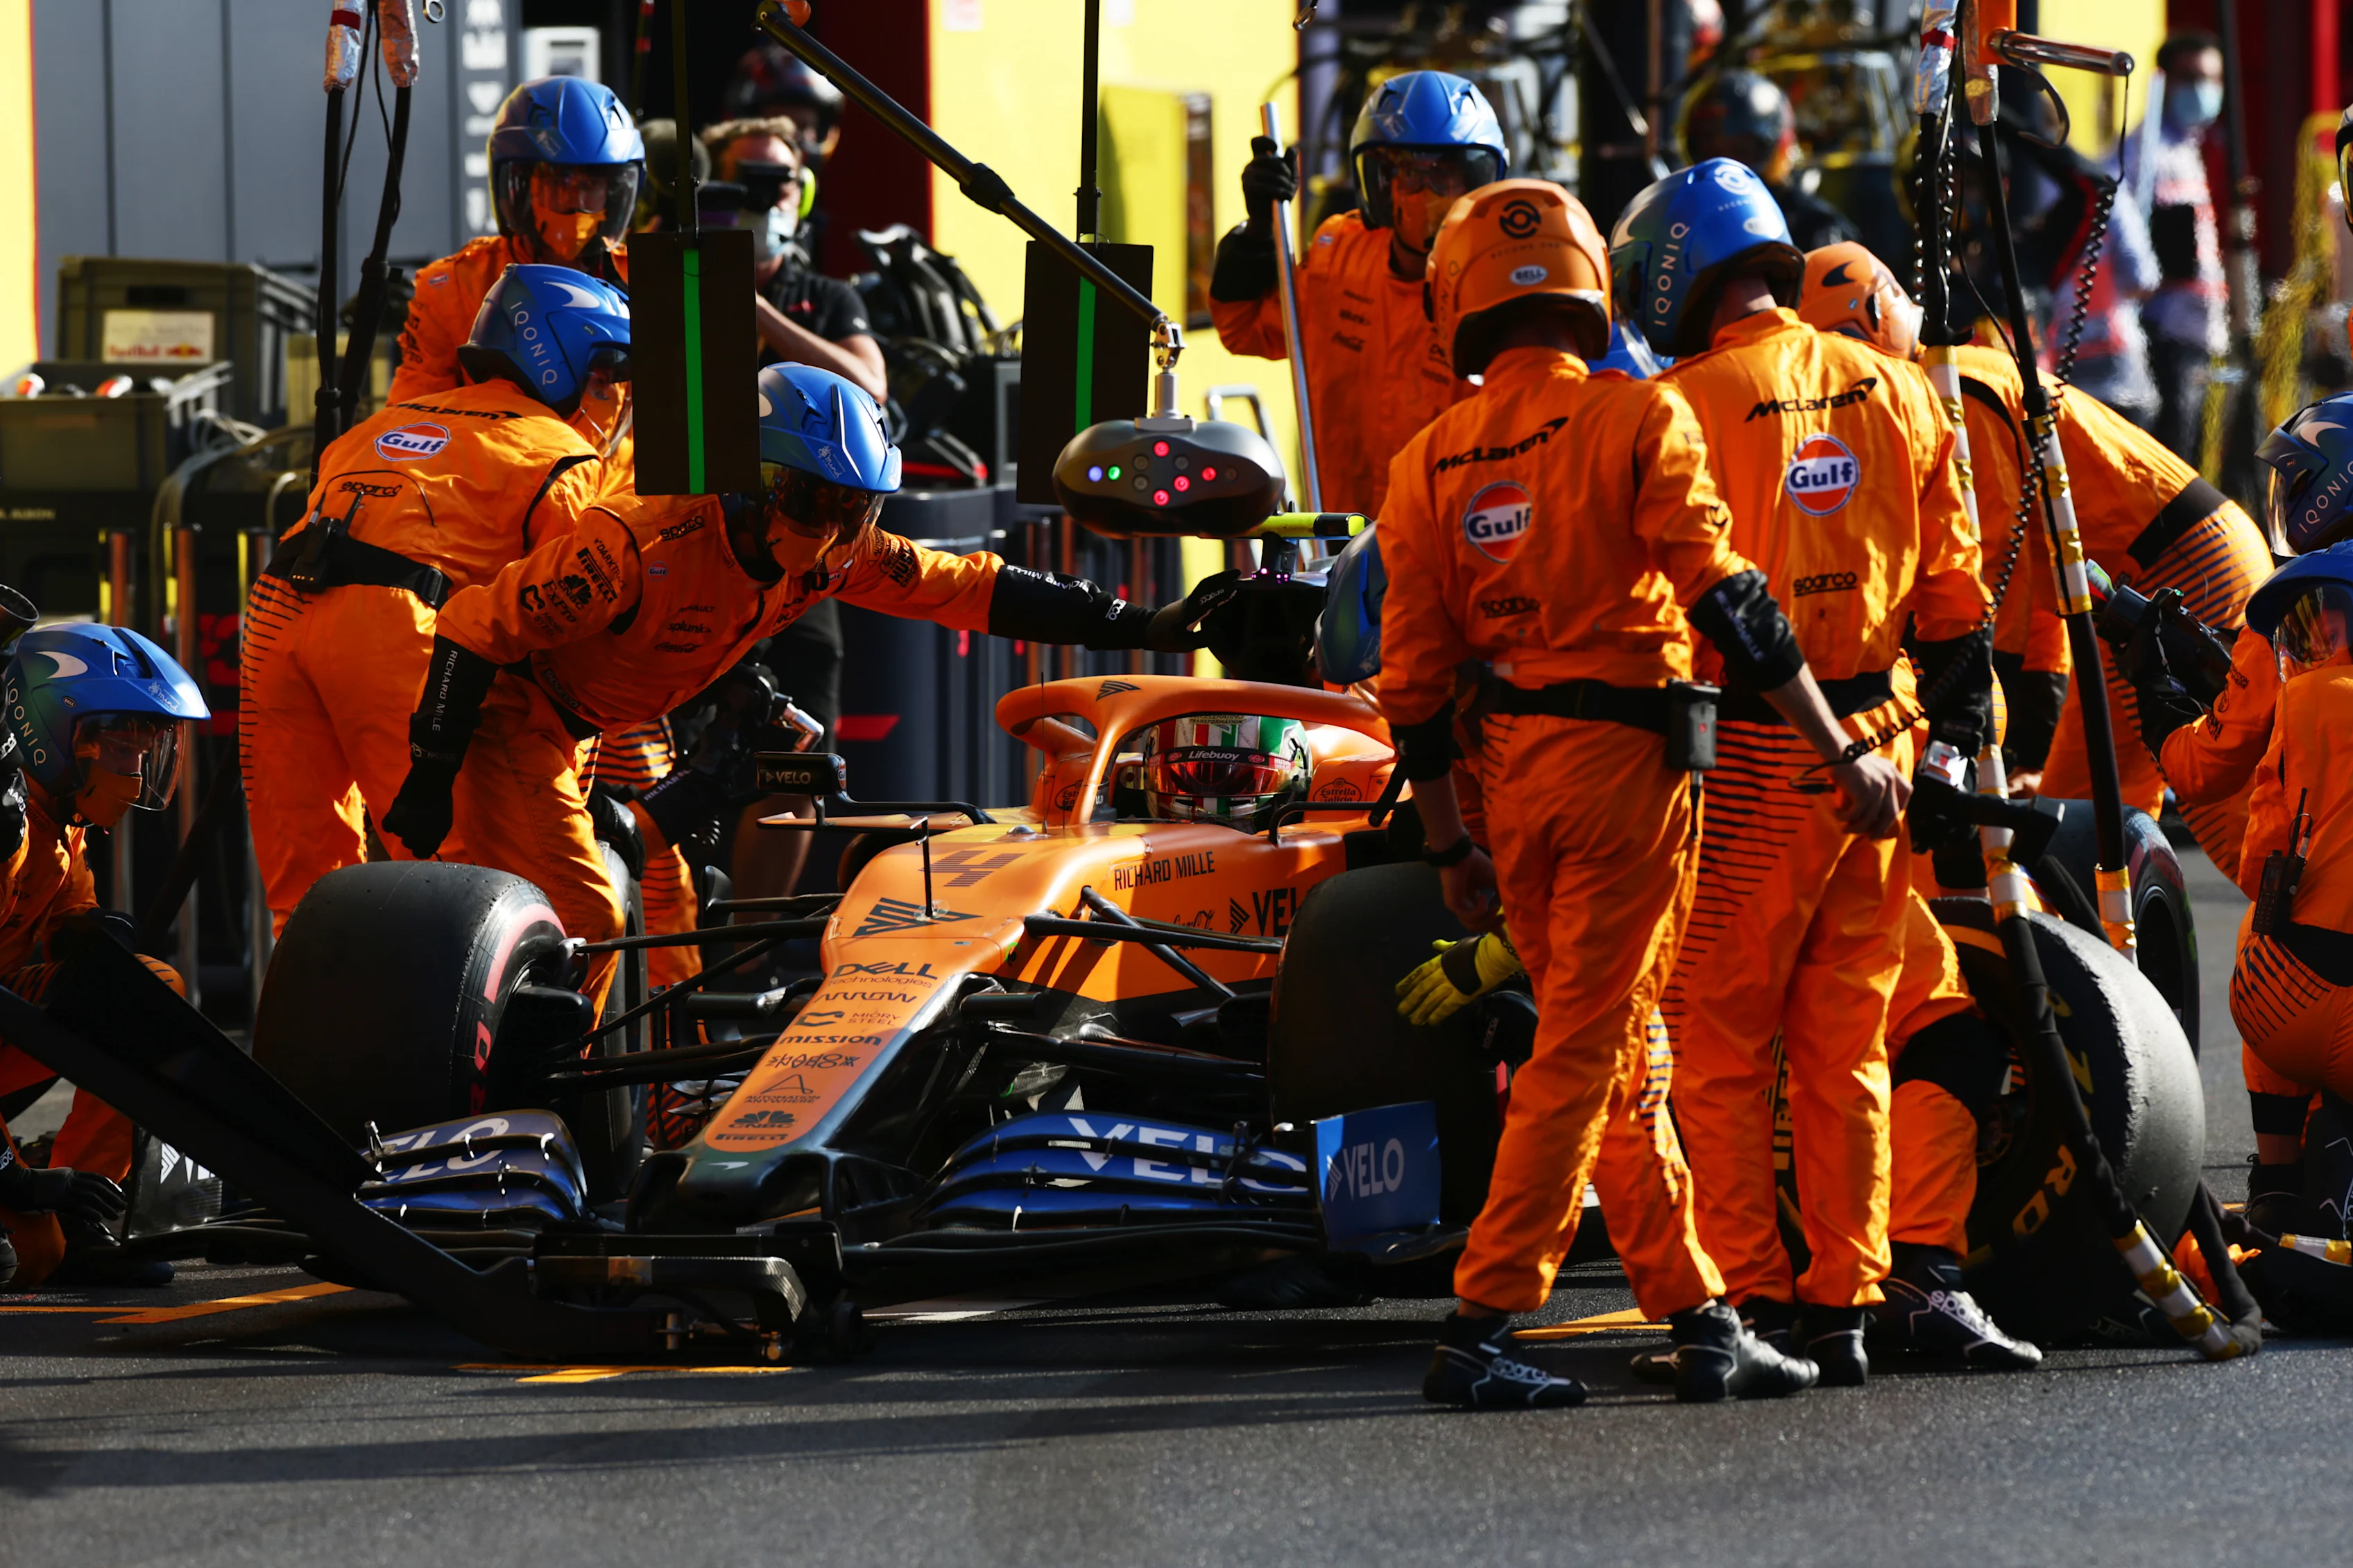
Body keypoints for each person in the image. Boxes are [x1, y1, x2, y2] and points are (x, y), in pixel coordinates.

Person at [1380, 178, 1902, 1410]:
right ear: (1589, 288)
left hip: (1514, 785)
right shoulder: (1635, 421)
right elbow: (1733, 600)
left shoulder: (1423, 464)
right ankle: (1484, 1319)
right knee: (1587, 1047)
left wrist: (1454, 843)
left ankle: (1701, 1313)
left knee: (1623, 1056)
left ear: (1456, 301)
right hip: (1628, 780)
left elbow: (1409, 680)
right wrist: (1839, 757)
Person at [381, 364, 1223, 1014]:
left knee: (663, 926)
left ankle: (623, 1110)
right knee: (590, 914)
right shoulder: (632, 545)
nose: (827, 529)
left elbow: (968, 584)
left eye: (851, 508)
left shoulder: (837, 553)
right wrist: (429, 773)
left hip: (605, 724)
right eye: (809, 498)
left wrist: (1145, 622)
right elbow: (467, 628)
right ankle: (532, 1107)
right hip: (509, 712)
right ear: (751, 481)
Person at [1614, 160, 1993, 1386]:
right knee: (1848, 1039)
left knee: (1719, 1040)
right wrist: (1949, 723)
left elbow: (1665, 596)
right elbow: (1954, 591)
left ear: (1673, 276)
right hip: (1880, 742)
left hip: (1757, 748)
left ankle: (1754, 1301)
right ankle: (1849, 1298)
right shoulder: (1893, 388)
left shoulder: (1679, 404)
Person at [240, 265, 630, 932]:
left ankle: (320, 1036)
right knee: (479, 907)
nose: (613, 399)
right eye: (605, 378)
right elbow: (572, 625)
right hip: (398, 630)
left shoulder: (375, 428)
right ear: (559, 357)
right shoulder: (562, 455)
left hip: (276, 613)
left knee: (309, 905)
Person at [0, 623, 207, 1289]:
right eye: (123, 745)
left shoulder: (57, 817)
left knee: (146, 987)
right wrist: (24, 1184)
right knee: (29, 1256)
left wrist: (91, 933)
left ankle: (91, 1201)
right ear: (58, 731)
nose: (136, 767)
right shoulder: (7, 822)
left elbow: (67, 915)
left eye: (144, 749)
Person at [1210, 69, 1505, 517]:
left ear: (1476, 181)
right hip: (1339, 543)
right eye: (1407, 174)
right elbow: (1245, 326)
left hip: (1453, 549)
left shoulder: (1503, 282)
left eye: (1443, 177)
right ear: (1380, 184)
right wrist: (1257, 234)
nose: (1425, 197)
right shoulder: (1339, 255)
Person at [391, 76, 642, 453]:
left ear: (615, 190)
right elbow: (411, 419)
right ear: (518, 186)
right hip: (502, 485)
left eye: (591, 184)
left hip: (618, 495)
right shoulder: (454, 284)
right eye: (558, 183)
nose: (576, 202)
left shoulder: (649, 279)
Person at [703, 118, 887, 402]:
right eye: (750, 183)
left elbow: (871, 388)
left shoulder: (829, 297)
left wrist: (756, 308)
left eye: (781, 183)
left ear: (803, 196)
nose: (768, 202)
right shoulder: (676, 286)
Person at [2121, 33, 2229, 465]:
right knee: (2175, 461)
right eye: (2193, 78)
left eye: (2213, 79)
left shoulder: (2191, 149)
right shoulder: (2143, 153)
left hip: (2199, 330)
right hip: (2165, 334)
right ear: (2166, 81)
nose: (2204, 90)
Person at [1677, 70, 1858, 254]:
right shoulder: (1678, 222)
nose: (1726, 168)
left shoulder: (1817, 229)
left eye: (1742, 151)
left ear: (1778, 147)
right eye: (1711, 153)